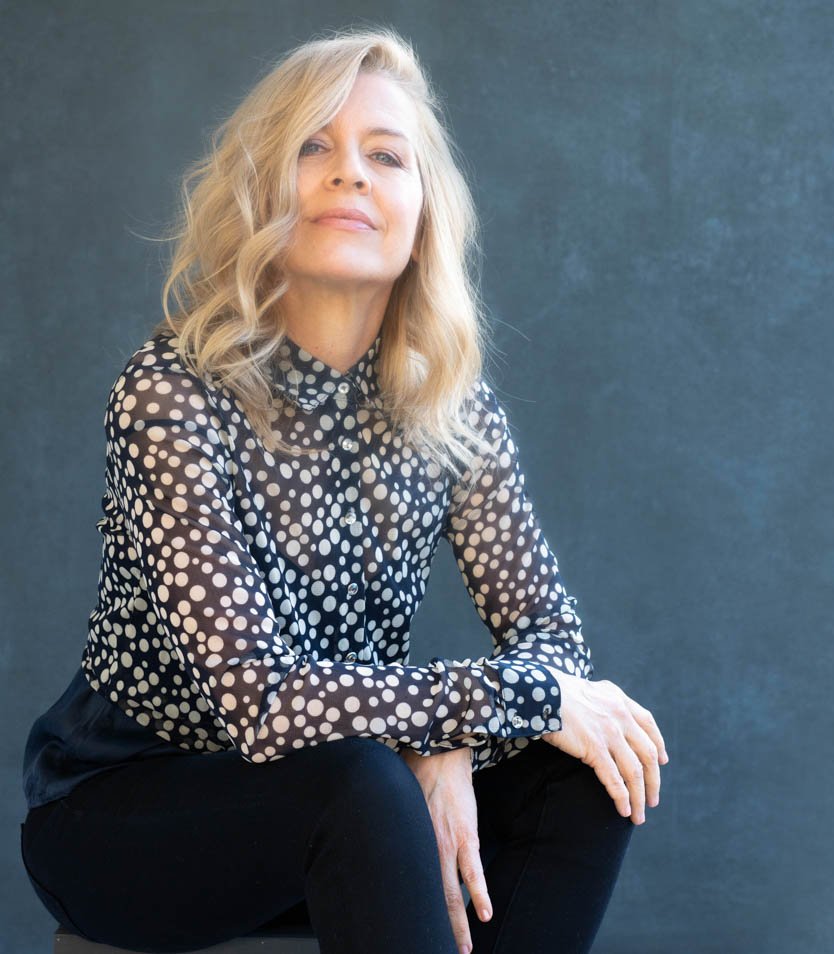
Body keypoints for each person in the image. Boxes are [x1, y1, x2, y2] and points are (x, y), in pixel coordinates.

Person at [19, 25, 668, 954]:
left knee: (589, 765)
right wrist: (447, 725)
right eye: (312, 147)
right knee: (361, 778)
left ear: (422, 212)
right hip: (129, 818)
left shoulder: (448, 407)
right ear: (261, 195)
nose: (349, 173)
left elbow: (552, 641)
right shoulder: (172, 392)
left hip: (356, 819)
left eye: (385, 155)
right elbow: (264, 701)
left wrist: (447, 745)